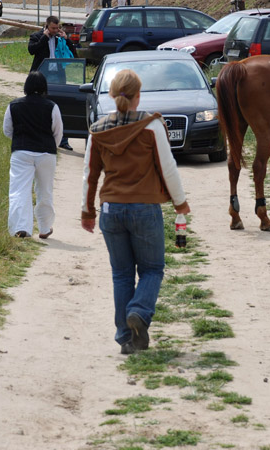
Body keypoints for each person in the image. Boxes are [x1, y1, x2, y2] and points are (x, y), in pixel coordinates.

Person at [81, 69, 190, 355]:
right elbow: (168, 167)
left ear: (114, 96)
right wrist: (180, 203)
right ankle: (139, 312)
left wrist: (87, 210)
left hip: (110, 210)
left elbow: (90, 175)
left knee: (121, 274)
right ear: (137, 96)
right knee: (152, 269)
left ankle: (127, 338)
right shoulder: (150, 126)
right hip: (144, 208)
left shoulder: (99, 130)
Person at [3, 71, 63, 238]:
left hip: (21, 152)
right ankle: (44, 228)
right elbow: (58, 132)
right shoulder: (52, 106)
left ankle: (21, 228)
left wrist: (20, 140)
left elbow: (7, 130)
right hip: (46, 153)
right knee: (45, 191)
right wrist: (51, 147)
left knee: (19, 190)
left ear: (26, 87)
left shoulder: (13, 105)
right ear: (44, 87)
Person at [27, 16, 76, 150]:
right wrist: (44, 38)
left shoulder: (60, 38)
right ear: (47, 26)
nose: (55, 30)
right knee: (40, 106)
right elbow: (32, 50)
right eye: (53, 28)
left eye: (57, 27)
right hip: (41, 76)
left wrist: (67, 40)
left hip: (58, 76)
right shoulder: (37, 36)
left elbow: (74, 54)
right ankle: (39, 137)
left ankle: (63, 140)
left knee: (61, 106)